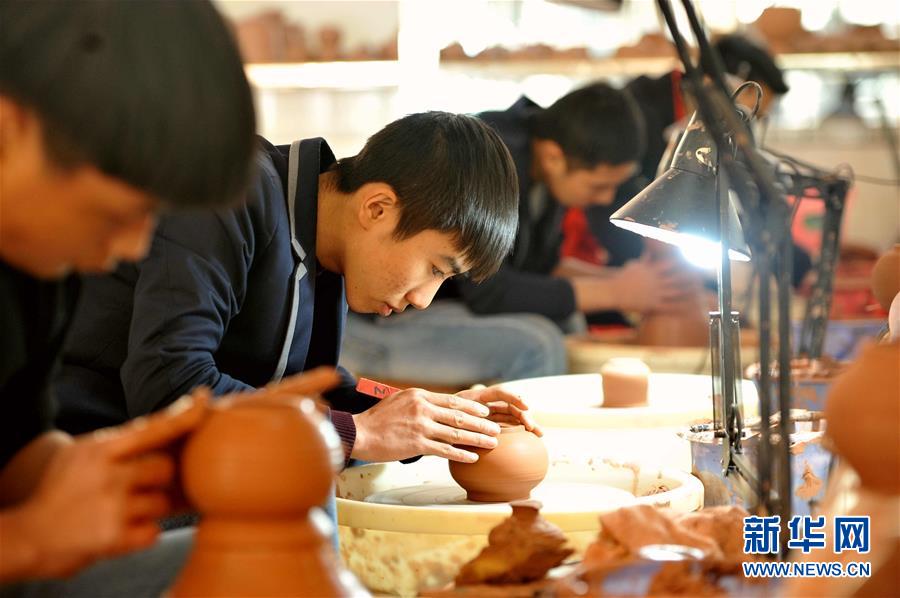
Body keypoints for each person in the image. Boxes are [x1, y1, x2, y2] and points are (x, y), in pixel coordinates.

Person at [56, 110, 537, 469]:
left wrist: (431, 417)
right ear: (377, 208)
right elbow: (170, 382)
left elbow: (312, 388)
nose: (423, 299)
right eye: (435, 268)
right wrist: (356, 434)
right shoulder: (229, 191)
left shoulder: (322, 237)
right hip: (79, 467)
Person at [0, 0, 256, 594]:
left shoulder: (38, 262)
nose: (134, 247)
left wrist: (123, 468)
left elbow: (15, 452)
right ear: (9, 129)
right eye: (116, 213)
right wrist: (32, 539)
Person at [340, 83, 697, 387]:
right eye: (599, 185)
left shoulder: (546, 172)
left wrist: (629, 284)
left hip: (436, 312)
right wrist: (615, 291)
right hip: (381, 319)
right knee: (538, 345)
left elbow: (545, 270)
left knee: (566, 320)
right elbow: (487, 289)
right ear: (556, 157)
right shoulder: (496, 164)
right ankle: (524, 455)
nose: (605, 199)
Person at [585, 33, 811, 292]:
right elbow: (610, 207)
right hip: (621, 262)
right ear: (714, 84)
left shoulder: (719, 131)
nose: (747, 126)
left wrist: (800, 268)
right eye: (747, 114)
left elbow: (749, 197)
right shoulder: (636, 114)